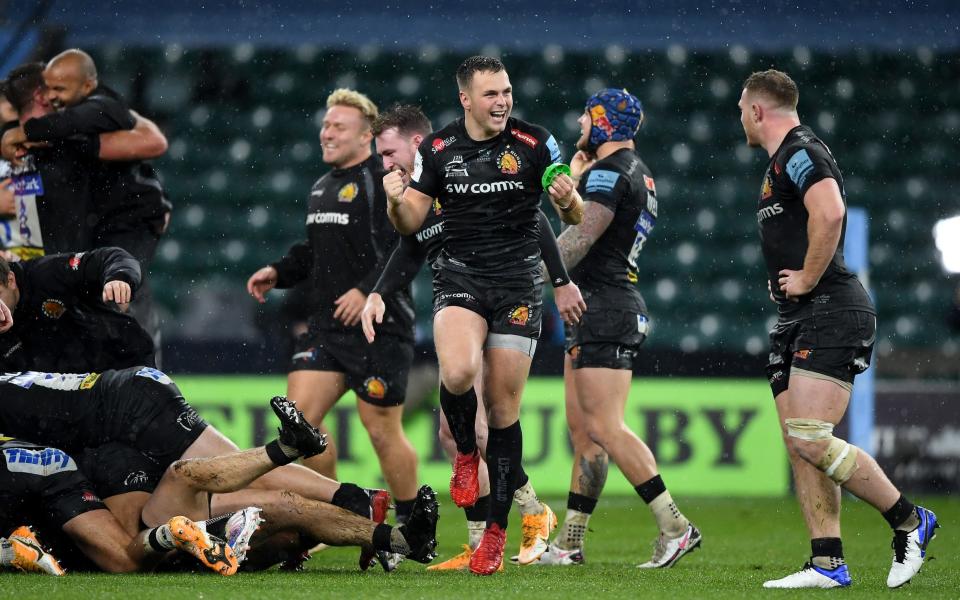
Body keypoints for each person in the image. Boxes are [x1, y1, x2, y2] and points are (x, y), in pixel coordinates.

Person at [738, 69, 938, 590]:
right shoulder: (780, 162)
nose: (741, 117)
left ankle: (911, 521)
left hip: (832, 308)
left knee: (810, 437)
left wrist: (806, 275)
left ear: (758, 110)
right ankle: (827, 561)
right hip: (800, 315)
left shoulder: (800, 151)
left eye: (742, 107)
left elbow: (829, 212)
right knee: (798, 441)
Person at [386, 55, 585, 575]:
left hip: (519, 283)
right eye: (492, 93)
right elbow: (411, 219)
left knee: (501, 412)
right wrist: (394, 199)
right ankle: (466, 460)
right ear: (466, 99)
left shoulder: (536, 143)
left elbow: (571, 212)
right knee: (456, 372)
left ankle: (496, 536)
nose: (503, 102)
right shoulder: (438, 149)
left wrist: (569, 201)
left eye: (507, 92)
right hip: (460, 277)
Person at [530, 89, 701, 569]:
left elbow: (583, 237)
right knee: (585, 434)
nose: (581, 121)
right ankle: (570, 543)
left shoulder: (611, 171)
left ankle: (676, 527)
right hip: (597, 307)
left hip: (604, 305)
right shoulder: (633, 171)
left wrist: (525, 277)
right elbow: (588, 224)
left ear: (603, 122)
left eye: (587, 115)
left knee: (605, 427)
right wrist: (577, 185)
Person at [246, 89, 421, 546]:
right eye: (325, 125)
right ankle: (337, 513)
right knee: (301, 423)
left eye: (338, 126)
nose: (327, 132)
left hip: (379, 325)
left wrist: (366, 290)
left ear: (366, 136)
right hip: (327, 327)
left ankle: (412, 524)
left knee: (382, 430)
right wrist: (279, 271)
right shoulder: (323, 185)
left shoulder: (380, 179)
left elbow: (402, 245)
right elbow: (315, 252)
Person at [0, 436, 240, 576]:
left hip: (19, 472)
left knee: (122, 562)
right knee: (122, 553)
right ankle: (175, 533)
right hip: (51, 460)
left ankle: (11, 551)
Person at [0, 248, 155, 372]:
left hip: (121, 362)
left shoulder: (47, 274)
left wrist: (120, 277)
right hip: (66, 400)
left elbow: (109, 258)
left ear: (11, 280)